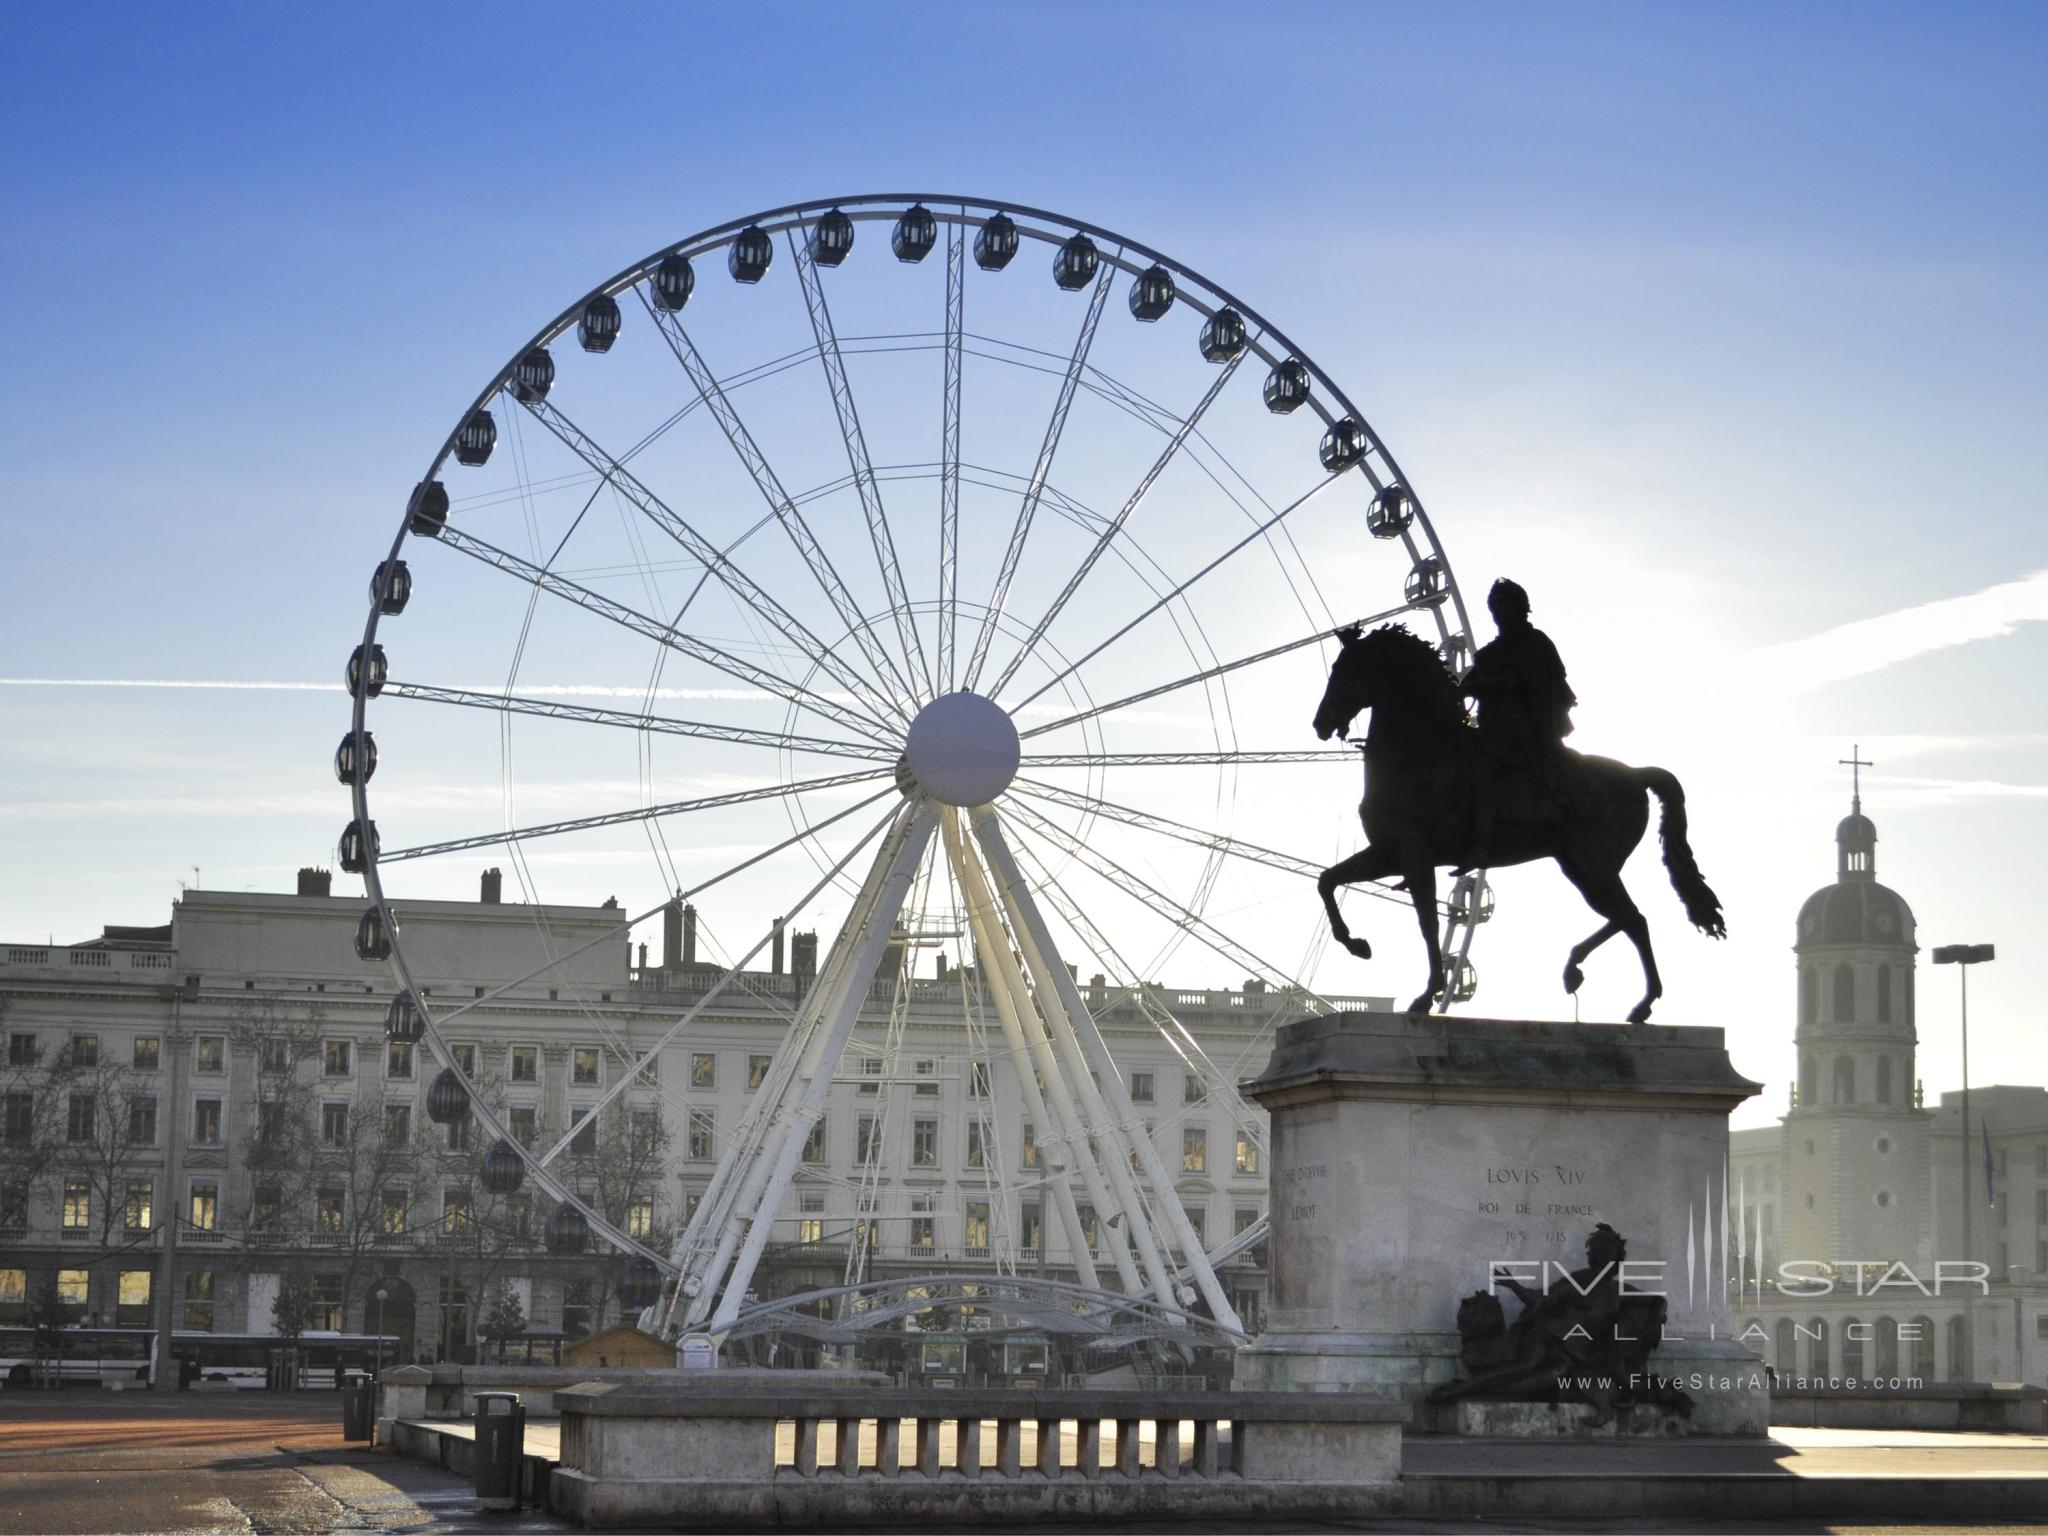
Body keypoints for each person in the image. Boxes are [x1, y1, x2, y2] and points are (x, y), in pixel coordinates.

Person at [1458, 578, 1578, 871]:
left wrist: (1474, 687)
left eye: (1503, 604)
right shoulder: (1493, 650)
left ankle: (1480, 846)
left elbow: (1510, 681)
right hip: (1488, 725)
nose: (1498, 611)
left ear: (1520, 608)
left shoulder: (1532, 643)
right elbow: (1472, 679)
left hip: (1520, 728)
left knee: (1482, 769)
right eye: (1494, 605)